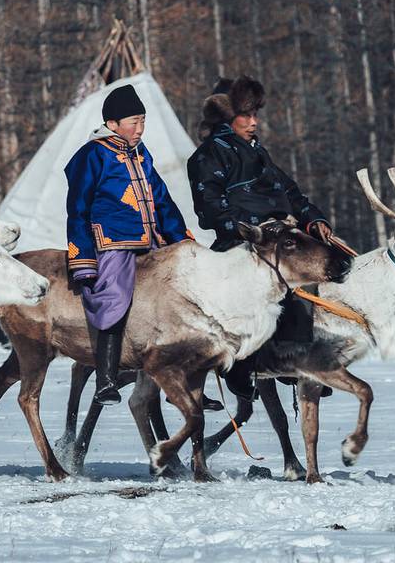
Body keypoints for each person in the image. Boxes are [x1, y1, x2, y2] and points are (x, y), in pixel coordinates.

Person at [186, 77, 340, 397]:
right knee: (251, 299)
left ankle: (292, 361)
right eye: (247, 115)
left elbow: (290, 192)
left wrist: (313, 219)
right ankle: (239, 365)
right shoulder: (207, 156)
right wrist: (254, 227)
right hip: (241, 242)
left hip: (279, 238)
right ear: (228, 117)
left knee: (300, 290)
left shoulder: (258, 153)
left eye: (256, 114)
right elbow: (210, 208)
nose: (254, 122)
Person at [65, 84, 194, 405]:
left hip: (150, 242)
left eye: (143, 121)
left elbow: (161, 198)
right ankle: (105, 379)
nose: (140, 128)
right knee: (115, 297)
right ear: (112, 124)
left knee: (180, 296)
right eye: (133, 122)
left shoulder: (141, 153)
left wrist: (181, 241)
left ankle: (185, 376)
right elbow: (77, 206)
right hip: (112, 243)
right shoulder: (92, 155)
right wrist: (81, 257)